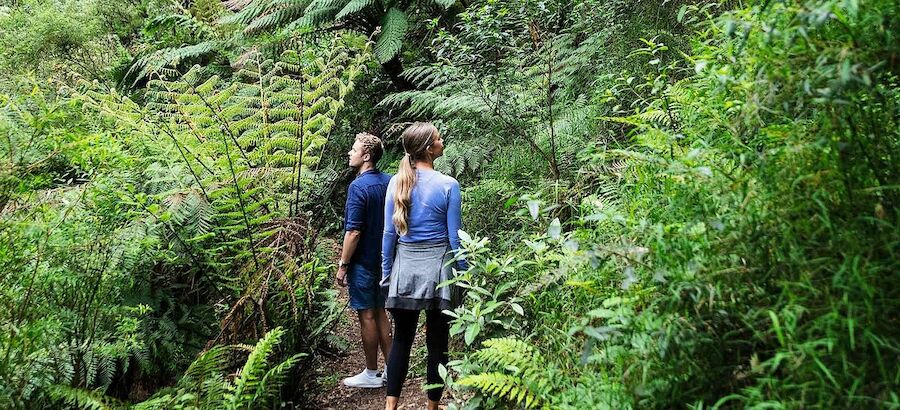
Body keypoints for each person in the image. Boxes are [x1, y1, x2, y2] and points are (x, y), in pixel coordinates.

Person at [381, 122, 467, 410]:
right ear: (429, 149)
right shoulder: (448, 185)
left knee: (402, 338)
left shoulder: (396, 182)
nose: (443, 141)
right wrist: (464, 274)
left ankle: (390, 406)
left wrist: (386, 273)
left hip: (405, 268)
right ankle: (432, 407)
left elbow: (389, 235)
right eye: (439, 139)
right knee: (437, 341)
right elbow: (455, 238)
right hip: (438, 271)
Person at [336, 132, 393, 388]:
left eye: (354, 149)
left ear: (366, 156)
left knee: (367, 315)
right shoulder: (390, 182)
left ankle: (371, 373)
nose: (350, 152)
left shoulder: (358, 187)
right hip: (386, 260)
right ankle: (393, 370)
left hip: (363, 263)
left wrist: (343, 265)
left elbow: (354, 231)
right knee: (381, 313)